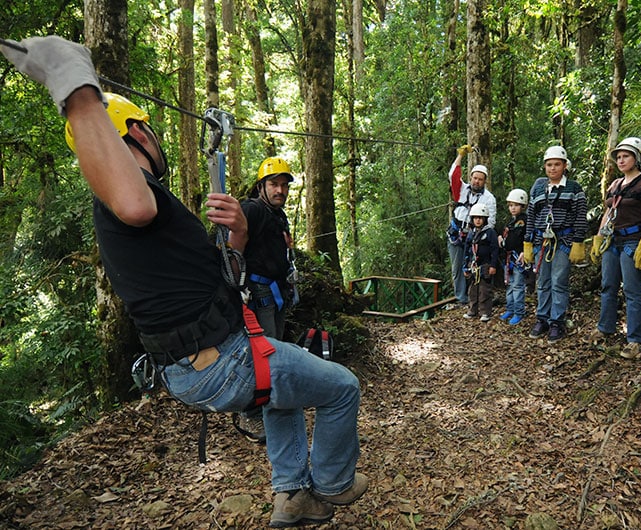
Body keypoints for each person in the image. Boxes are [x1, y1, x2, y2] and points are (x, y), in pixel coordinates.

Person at [1, 36, 367, 528]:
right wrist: (74, 85)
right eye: (146, 131)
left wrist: (235, 236)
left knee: (286, 395)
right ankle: (331, 485)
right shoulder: (126, 201)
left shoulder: (142, 219)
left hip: (205, 357)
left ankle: (291, 496)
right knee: (342, 387)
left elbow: (215, 278)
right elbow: (134, 202)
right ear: (134, 135)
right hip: (220, 360)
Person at [235, 156, 299, 444]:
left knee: (275, 349)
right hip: (258, 293)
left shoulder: (277, 214)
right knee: (262, 353)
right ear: (261, 185)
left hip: (276, 291)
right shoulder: (252, 210)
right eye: (274, 184)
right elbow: (227, 245)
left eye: (284, 186)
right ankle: (252, 413)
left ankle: (271, 404)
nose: (280, 191)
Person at [589, 137, 641, 359]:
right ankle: (605, 328)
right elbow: (608, 213)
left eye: (626, 156)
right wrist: (599, 238)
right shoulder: (615, 185)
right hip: (613, 241)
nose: (621, 160)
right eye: (618, 157)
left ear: (637, 158)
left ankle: (635, 340)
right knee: (608, 286)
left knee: (632, 289)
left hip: (633, 241)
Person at [524, 146, 587, 343]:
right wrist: (528, 242)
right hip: (542, 241)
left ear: (565, 165)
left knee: (559, 281)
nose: (553, 168)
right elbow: (531, 217)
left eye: (557, 164)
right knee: (542, 282)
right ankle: (542, 318)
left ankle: (556, 322)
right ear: (545, 167)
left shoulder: (574, 188)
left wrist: (578, 241)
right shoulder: (538, 189)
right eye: (549, 165)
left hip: (563, 241)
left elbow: (580, 216)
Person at [447, 145, 496, 306]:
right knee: (457, 268)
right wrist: (461, 155)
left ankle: (476, 298)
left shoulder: (489, 198)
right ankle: (462, 299)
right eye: (475, 178)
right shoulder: (462, 189)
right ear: (471, 177)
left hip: (476, 236)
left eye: (480, 179)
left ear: (484, 181)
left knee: (476, 267)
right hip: (457, 233)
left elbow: (491, 221)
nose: (476, 181)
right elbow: (453, 176)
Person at [462, 203, 498, 321]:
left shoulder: (490, 232)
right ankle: (473, 310)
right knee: (473, 289)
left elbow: (494, 249)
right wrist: (465, 266)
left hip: (485, 264)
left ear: (485, 219)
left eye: (480, 218)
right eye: (475, 218)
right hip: (473, 265)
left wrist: (493, 265)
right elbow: (467, 250)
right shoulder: (471, 233)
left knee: (485, 289)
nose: (478, 220)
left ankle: (485, 312)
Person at [498, 189, 528, 325]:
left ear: (523, 206)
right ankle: (510, 308)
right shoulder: (511, 222)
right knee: (509, 285)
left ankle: (519, 312)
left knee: (517, 285)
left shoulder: (525, 221)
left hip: (518, 257)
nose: (513, 208)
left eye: (516, 205)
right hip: (508, 258)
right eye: (510, 205)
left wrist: (525, 251)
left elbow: (526, 238)